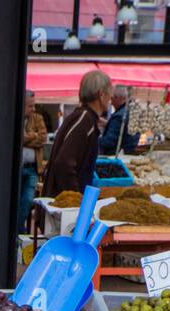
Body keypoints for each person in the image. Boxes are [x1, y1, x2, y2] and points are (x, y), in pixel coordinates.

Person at [42, 69, 113, 197]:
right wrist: (76, 199)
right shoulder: (84, 120)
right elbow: (64, 163)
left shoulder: (84, 118)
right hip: (63, 205)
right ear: (101, 95)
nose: (110, 99)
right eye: (109, 94)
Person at [18, 90, 46, 233]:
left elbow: (42, 138)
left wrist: (25, 138)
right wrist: (32, 136)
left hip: (33, 168)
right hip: (17, 168)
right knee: (16, 200)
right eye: (30, 106)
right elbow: (17, 139)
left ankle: (17, 228)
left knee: (28, 200)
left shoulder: (38, 119)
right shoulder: (14, 118)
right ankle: (17, 228)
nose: (33, 109)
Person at [100, 88, 139, 155]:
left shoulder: (119, 116)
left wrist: (92, 140)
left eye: (112, 98)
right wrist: (108, 124)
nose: (111, 102)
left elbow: (109, 141)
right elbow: (122, 130)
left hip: (115, 155)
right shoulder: (131, 111)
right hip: (128, 152)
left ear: (119, 98)